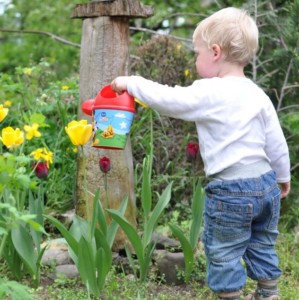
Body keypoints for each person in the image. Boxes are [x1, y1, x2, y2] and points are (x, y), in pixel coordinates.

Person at [111, 7, 291, 300]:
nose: (196, 60)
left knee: (224, 249)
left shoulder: (210, 91)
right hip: (266, 185)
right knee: (262, 243)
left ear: (215, 52)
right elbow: (276, 142)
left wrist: (131, 83)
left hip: (231, 190)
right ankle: (269, 294)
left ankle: (231, 296)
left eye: (198, 53)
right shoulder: (257, 94)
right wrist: (282, 176)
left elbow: (169, 99)